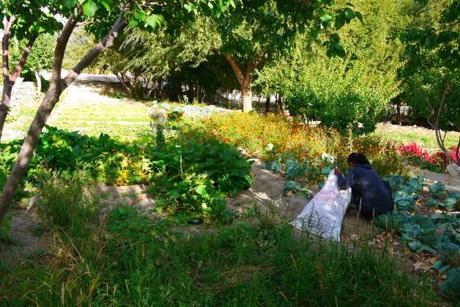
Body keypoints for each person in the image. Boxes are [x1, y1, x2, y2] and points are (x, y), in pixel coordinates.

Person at [334, 153, 393, 219]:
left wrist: (339, 174)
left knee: (352, 188)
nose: (349, 167)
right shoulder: (372, 171)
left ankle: (357, 208)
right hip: (387, 208)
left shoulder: (354, 170)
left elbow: (343, 185)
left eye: (349, 165)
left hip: (370, 211)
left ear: (352, 163)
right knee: (385, 183)